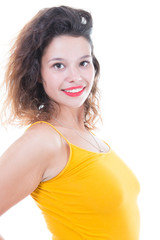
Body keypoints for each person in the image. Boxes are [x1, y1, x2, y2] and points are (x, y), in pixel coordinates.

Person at [0, 5, 140, 240]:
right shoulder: (44, 141)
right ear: (37, 73)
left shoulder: (91, 138)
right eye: (58, 65)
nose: (75, 76)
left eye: (83, 62)